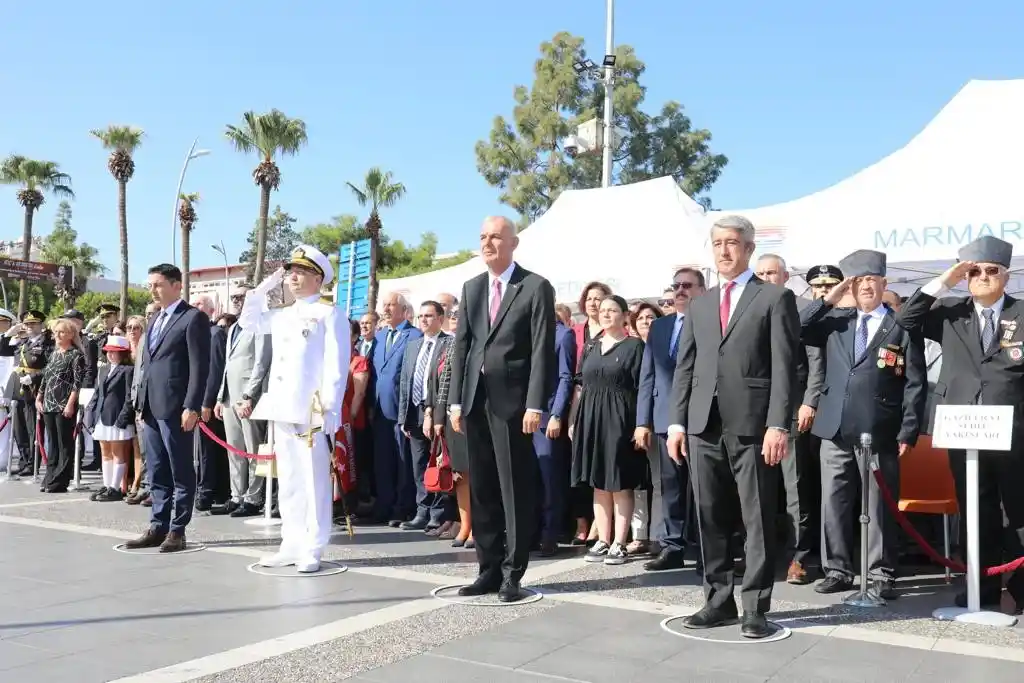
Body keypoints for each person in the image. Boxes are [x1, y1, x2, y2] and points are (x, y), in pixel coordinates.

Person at [668, 214, 800, 639]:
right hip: (702, 426)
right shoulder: (701, 304)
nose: (723, 250)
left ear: (748, 248)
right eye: (717, 243)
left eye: (731, 243)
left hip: (753, 425)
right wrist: (676, 421)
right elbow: (685, 366)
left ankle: (755, 606)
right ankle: (717, 600)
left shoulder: (773, 298)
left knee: (757, 516)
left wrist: (778, 424)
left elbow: (786, 366)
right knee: (710, 517)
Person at [896, 235, 1024, 612]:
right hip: (963, 428)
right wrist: (945, 280)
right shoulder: (951, 311)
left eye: (991, 270)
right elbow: (906, 319)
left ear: (1006, 274)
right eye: (975, 271)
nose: (983, 276)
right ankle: (979, 591)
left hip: (1014, 431)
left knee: (1017, 511)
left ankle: (1019, 589)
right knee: (975, 511)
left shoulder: (1022, 313)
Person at [800, 250, 926, 600]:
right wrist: (832, 297)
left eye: (872, 279)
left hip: (880, 427)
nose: (865, 286)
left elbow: (916, 383)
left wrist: (908, 429)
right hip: (835, 427)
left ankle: (880, 572)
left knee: (879, 503)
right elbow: (799, 326)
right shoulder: (836, 322)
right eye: (858, 281)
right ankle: (838, 569)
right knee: (834, 500)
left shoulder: (901, 326)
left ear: (884, 283)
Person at [448, 215, 555, 602]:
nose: (487, 243)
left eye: (495, 236)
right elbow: (462, 346)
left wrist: (535, 403)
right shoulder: (472, 287)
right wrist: (455, 401)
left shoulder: (534, 287)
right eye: (482, 237)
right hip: (476, 401)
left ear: (513, 243)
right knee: (483, 490)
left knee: (514, 489)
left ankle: (514, 571)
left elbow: (542, 349)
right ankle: (488, 569)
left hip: (514, 404)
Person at [243, 245, 350, 573]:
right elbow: (249, 321)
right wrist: (264, 287)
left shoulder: (329, 314)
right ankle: (290, 542)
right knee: (288, 480)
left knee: (314, 481)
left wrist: (330, 409)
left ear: (318, 278)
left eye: (300, 271)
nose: (293, 276)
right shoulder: (283, 315)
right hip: (283, 407)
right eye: (290, 271)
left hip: (312, 411)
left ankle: (313, 546)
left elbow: (336, 365)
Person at [125, 264, 211, 553]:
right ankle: (158, 524)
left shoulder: (193, 318)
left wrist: (193, 405)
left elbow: (200, 367)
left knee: (180, 468)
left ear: (177, 285)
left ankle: (178, 529)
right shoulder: (155, 320)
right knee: (158, 468)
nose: (152, 289)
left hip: (176, 407)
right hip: (151, 406)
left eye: (158, 284)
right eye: (150, 284)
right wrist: (140, 402)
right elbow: (147, 364)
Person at [215, 284, 272, 518]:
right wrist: (221, 397)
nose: (237, 300)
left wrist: (249, 395)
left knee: (253, 449)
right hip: (230, 396)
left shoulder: (262, 324)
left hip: (250, 397)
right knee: (235, 450)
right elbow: (228, 366)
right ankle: (237, 495)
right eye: (234, 297)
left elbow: (261, 362)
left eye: (242, 296)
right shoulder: (234, 328)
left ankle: (253, 497)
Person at [396, 301, 450, 532]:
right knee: (419, 466)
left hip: (438, 413)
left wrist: (437, 414)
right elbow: (405, 382)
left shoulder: (449, 343)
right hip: (414, 412)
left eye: (429, 315)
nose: (424, 320)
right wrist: (402, 418)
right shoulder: (413, 346)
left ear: (440, 318)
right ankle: (422, 511)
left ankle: (439, 514)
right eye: (421, 316)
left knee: (438, 462)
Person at [533, 305, 576, 556]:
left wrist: (557, 414)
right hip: (525, 416)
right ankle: (530, 533)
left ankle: (551, 534)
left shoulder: (563, 334)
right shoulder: (528, 334)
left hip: (548, 414)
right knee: (530, 480)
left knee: (551, 480)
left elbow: (565, 377)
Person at [84, 335, 136, 501]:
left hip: (117, 416)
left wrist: (123, 417)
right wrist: (91, 412)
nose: (112, 355)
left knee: (118, 453)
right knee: (105, 452)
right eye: (109, 351)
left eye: (115, 352)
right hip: (102, 415)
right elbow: (98, 393)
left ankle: (116, 487)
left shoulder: (128, 370)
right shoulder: (104, 369)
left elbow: (130, 396)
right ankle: (107, 485)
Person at [36, 318, 85, 493]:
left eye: (62, 332)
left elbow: (77, 383)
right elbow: (46, 377)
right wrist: (39, 397)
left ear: (71, 334)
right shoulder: (55, 353)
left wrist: (71, 404)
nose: (57, 335)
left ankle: (61, 479)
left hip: (64, 402)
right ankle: (50, 475)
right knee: (52, 442)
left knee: (64, 442)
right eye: (56, 332)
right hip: (49, 402)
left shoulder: (76, 355)